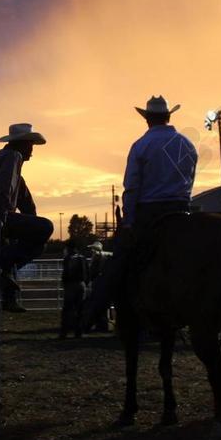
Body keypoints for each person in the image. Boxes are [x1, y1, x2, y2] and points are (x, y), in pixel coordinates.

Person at [88, 95, 197, 321]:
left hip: (150, 212)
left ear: (147, 119)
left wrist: (128, 221)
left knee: (120, 259)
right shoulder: (187, 144)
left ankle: (92, 311)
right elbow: (190, 179)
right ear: (168, 117)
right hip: (182, 210)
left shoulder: (141, 146)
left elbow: (132, 187)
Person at [0, 123, 54, 312]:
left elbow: (27, 204)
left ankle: (3, 279)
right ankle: (0, 269)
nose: (32, 150)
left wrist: (23, 225)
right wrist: (5, 218)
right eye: (30, 144)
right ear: (23, 144)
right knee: (45, 228)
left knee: (11, 251)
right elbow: (4, 189)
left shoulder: (5, 161)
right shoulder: (12, 157)